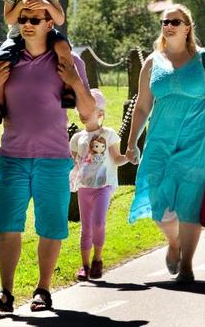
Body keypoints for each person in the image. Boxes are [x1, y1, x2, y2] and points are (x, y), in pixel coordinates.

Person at [0, 9, 95, 313]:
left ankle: (43, 290)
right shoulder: (5, 60)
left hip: (53, 159)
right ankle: (6, 293)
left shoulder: (68, 61)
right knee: (6, 225)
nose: (26, 25)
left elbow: (88, 112)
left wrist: (75, 82)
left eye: (34, 20)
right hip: (12, 159)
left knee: (51, 228)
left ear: (49, 23)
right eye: (23, 19)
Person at [126, 5, 205, 285]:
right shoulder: (152, 62)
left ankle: (186, 266)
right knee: (159, 205)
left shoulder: (204, 60)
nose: (168, 26)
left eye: (175, 21)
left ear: (187, 27)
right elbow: (142, 106)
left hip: (199, 140)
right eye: (165, 22)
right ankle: (174, 242)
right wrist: (132, 141)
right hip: (160, 141)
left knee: (190, 202)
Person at [69, 88, 129, 281]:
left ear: (100, 114)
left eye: (88, 111)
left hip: (103, 187)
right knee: (86, 226)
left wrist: (128, 157)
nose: (83, 114)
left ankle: (97, 260)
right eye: (81, 110)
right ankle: (84, 266)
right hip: (85, 188)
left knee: (98, 223)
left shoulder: (109, 134)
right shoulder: (77, 138)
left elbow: (117, 158)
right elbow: (76, 162)